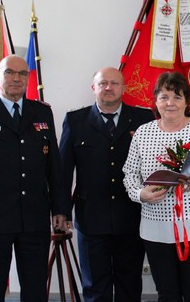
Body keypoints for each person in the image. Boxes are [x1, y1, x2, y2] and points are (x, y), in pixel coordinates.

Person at [0, 54, 70, 302]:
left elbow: (54, 167)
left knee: (36, 290)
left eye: (22, 74)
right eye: (9, 72)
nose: (16, 78)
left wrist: (60, 209)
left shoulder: (42, 113)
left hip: (34, 219)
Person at [123, 71, 190, 302]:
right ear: (155, 101)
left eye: (177, 97)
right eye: (163, 97)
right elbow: (129, 174)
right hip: (156, 228)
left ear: (187, 102)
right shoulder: (143, 133)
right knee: (167, 293)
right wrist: (140, 193)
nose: (170, 103)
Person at [59, 67, 154, 302]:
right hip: (91, 217)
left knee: (129, 283)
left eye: (114, 83)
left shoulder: (144, 119)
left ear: (124, 88)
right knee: (94, 286)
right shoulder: (75, 120)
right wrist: (61, 210)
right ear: (94, 88)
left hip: (131, 215)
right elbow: (62, 172)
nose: (108, 88)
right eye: (103, 83)